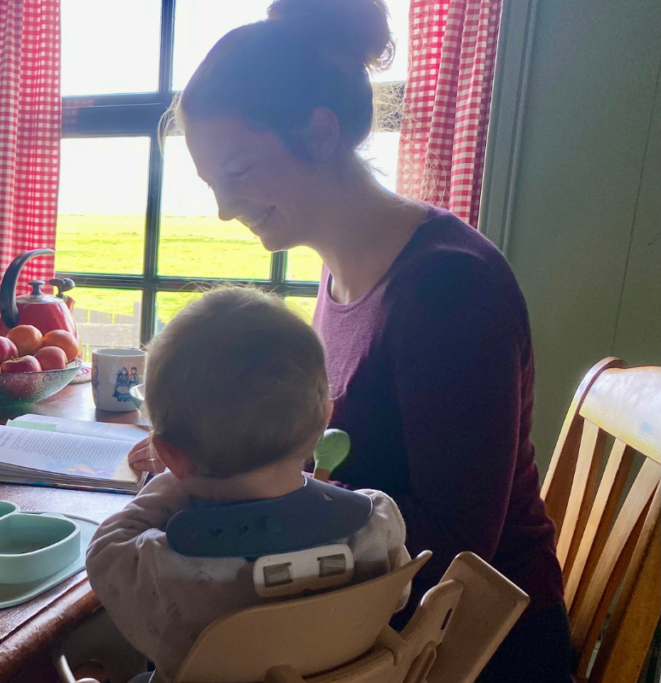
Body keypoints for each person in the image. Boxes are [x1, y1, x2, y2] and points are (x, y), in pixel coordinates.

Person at [126, 1, 571, 681]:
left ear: (321, 131)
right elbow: (338, 461)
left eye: (239, 172)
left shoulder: (450, 289)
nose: (223, 206)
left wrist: (238, 499)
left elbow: (456, 549)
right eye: (213, 182)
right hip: (363, 616)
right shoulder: (341, 271)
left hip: (462, 647)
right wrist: (222, 463)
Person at [88, 288, 410, 683]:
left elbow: (105, 547)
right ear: (324, 418)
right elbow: (397, 597)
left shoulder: (163, 565)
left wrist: (174, 478)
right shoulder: (377, 523)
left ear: (170, 455)